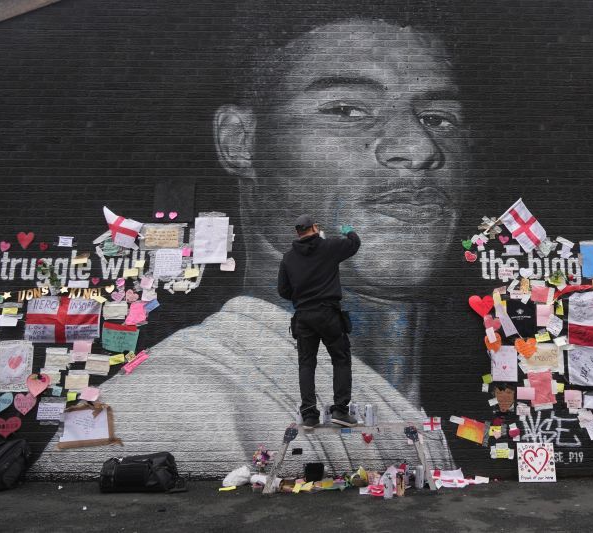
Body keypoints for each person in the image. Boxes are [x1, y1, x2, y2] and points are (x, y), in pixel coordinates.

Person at [32, 15, 468, 478]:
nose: (418, 147)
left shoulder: (412, 398)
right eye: (347, 110)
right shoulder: (170, 409)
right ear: (241, 142)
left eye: (439, 118)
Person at [278, 214, 361, 428]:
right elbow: (354, 244)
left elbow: (283, 290)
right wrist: (348, 231)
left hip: (304, 316)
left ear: (298, 232)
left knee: (307, 364)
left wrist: (302, 297)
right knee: (341, 359)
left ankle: (309, 415)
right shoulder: (329, 247)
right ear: (315, 227)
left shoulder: (288, 258)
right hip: (328, 314)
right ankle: (340, 411)